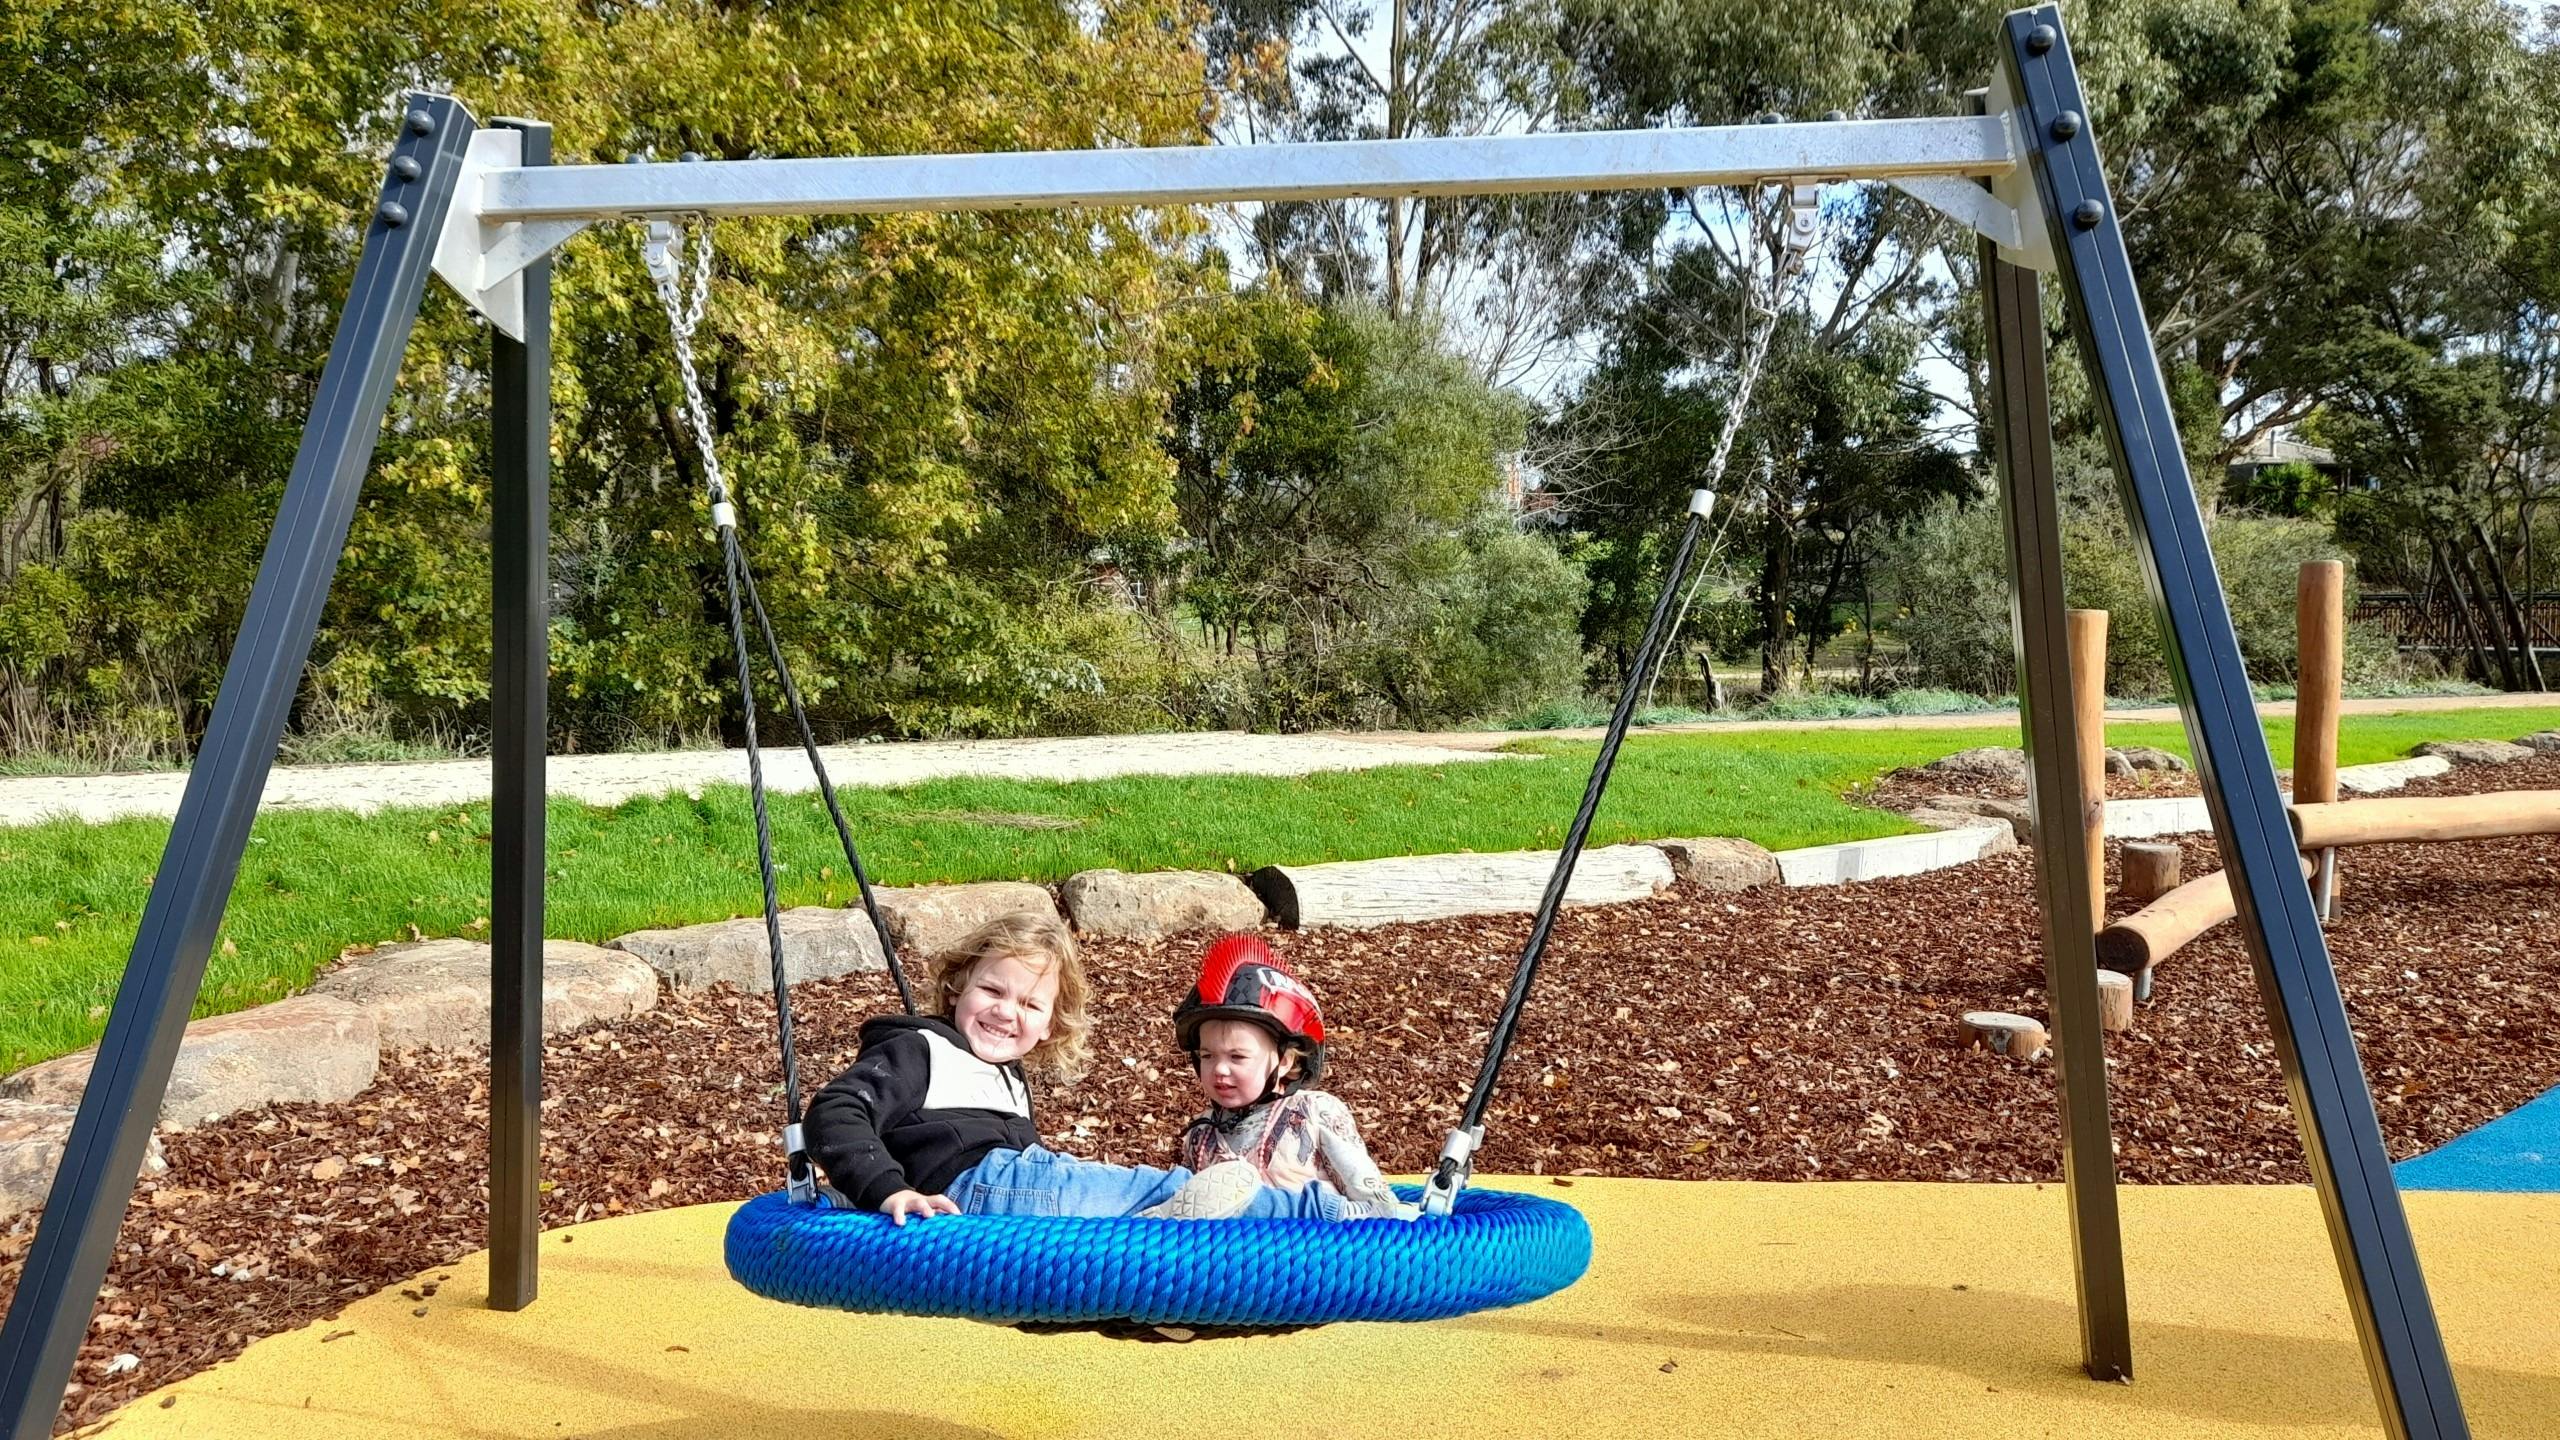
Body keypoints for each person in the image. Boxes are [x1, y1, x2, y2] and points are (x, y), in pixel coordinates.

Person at [800, 911, 1335, 1223]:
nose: (1006, 1012)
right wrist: (887, 1189)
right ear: (956, 987)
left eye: (1030, 1005)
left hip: (1011, 1183)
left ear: (1049, 1026)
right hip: (983, 1186)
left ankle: (1155, 1254)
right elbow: (837, 1110)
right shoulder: (922, 1048)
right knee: (1158, 1188)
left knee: (1122, 1197)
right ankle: (1314, 1211)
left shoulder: (1006, 1077)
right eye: (992, 990)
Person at [1174, 933, 1418, 1221]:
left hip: (1318, 1247)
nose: (1220, 1069)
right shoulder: (1201, 1135)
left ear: (1285, 1060)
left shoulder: (1313, 1114)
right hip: (1232, 1251)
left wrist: (1324, 1215)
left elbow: (1382, 1210)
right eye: (1207, 1056)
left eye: (1237, 1057)